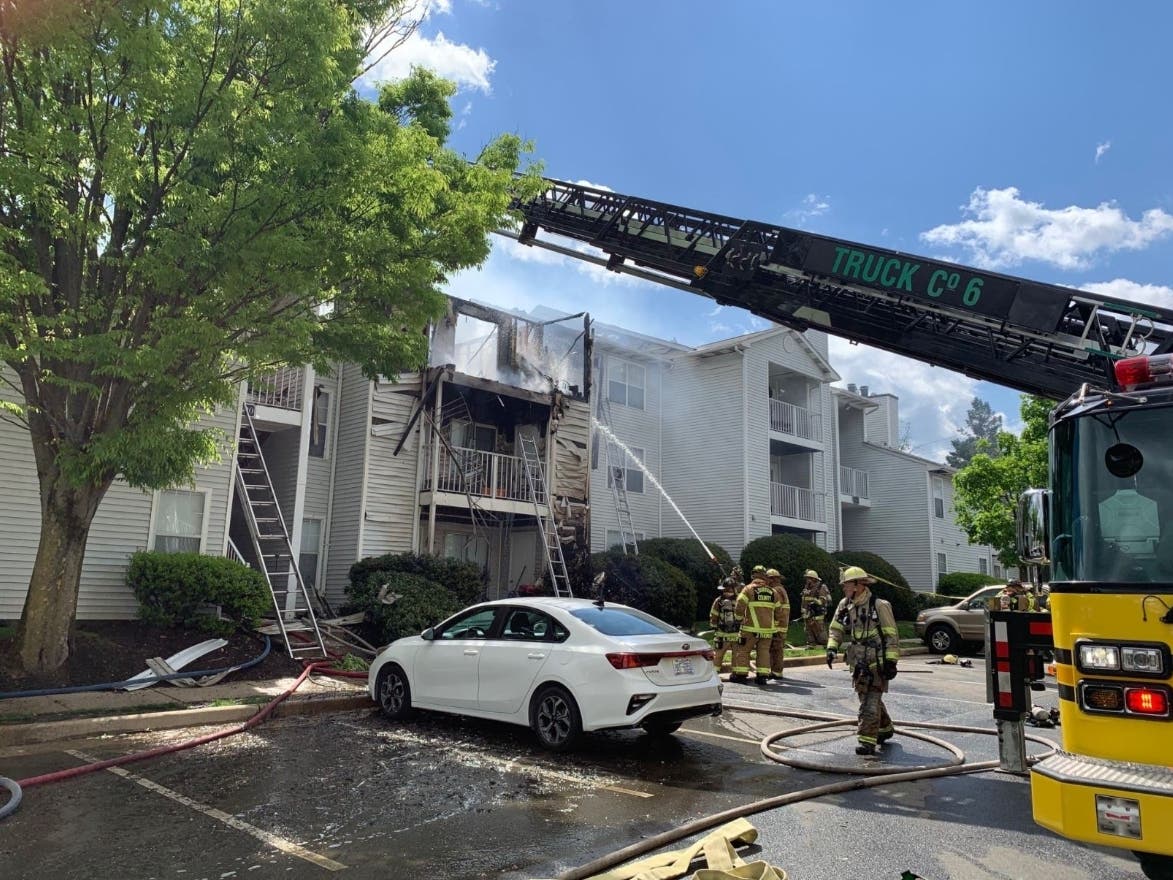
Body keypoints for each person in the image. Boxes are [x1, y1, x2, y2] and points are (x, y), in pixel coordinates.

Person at [826, 566, 900, 755]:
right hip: (858, 662)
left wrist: (891, 661)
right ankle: (885, 728)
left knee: (869, 701)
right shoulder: (845, 604)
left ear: (858, 585)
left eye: (846, 584)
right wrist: (832, 648)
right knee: (866, 697)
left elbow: (891, 635)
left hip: (877, 662)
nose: (843, 588)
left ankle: (867, 741)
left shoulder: (879, 605)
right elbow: (836, 628)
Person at [730, 565, 780, 684]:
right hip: (768, 630)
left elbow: (739, 606)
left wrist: (738, 620)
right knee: (763, 652)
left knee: (743, 650)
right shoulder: (773, 592)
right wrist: (775, 625)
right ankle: (762, 676)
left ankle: (741, 675)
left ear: (753, 575)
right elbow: (779, 611)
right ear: (765, 576)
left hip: (749, 628)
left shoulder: (748, 589)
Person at [709, 577, 741, 675]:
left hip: (722, 634)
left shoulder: (719, 600)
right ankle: (735, 673)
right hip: (736, 634)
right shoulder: (739, 600)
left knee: (718, 654)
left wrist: (713, 626)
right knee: (736, 655)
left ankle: (715, 672)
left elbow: (713, 615)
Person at [766, 569, 791, 681]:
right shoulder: (780, 589)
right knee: (776, 648)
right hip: (781, 625)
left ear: (773, 579)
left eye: (768, 578)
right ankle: (775, 670)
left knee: (776, 649)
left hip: (778, 625)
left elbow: (776, 610)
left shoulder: (776, 591)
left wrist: (773, 624)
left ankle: (776, 672)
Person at [800, 569, 832, 647]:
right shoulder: (807, 588)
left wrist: (814, 601)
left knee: (820, 631)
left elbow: (823, 601)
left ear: (814, 579)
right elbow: (804, 600)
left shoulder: (821, 587)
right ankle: (811, 644)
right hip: (807, 614)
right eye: (806, 578)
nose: (807, 580)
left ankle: (825, 645)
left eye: (808, 578)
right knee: (808, 630)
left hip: (817, 614)